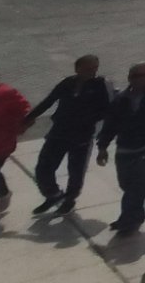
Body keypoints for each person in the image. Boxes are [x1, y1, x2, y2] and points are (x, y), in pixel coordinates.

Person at [94, 63, 145, 235]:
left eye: (144, 75)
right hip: (125, 148)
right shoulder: (121, 99)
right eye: (134, 76)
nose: (139, 80)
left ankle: (130, 221)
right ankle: (140, 215)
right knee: (126, 184)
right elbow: (111, 124)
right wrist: (102, 146)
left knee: (137, 186)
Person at [24, 53, 112, 216]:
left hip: (82, 136)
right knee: (43, 167)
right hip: (59, 132)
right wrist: (29, 118)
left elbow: (108, 110)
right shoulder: (67, 83)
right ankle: (53, 194)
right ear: (77, 68)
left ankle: (70, 199)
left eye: (95, 68)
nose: (92, 71)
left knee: (76, 171)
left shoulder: (100, 85)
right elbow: (49, 101)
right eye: (88, 68)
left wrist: (88, 120)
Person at [0, 69, 32, 221]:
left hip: (0, 143)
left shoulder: (6, 93)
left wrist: (22, 126)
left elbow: (26, 110)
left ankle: (3, 193)